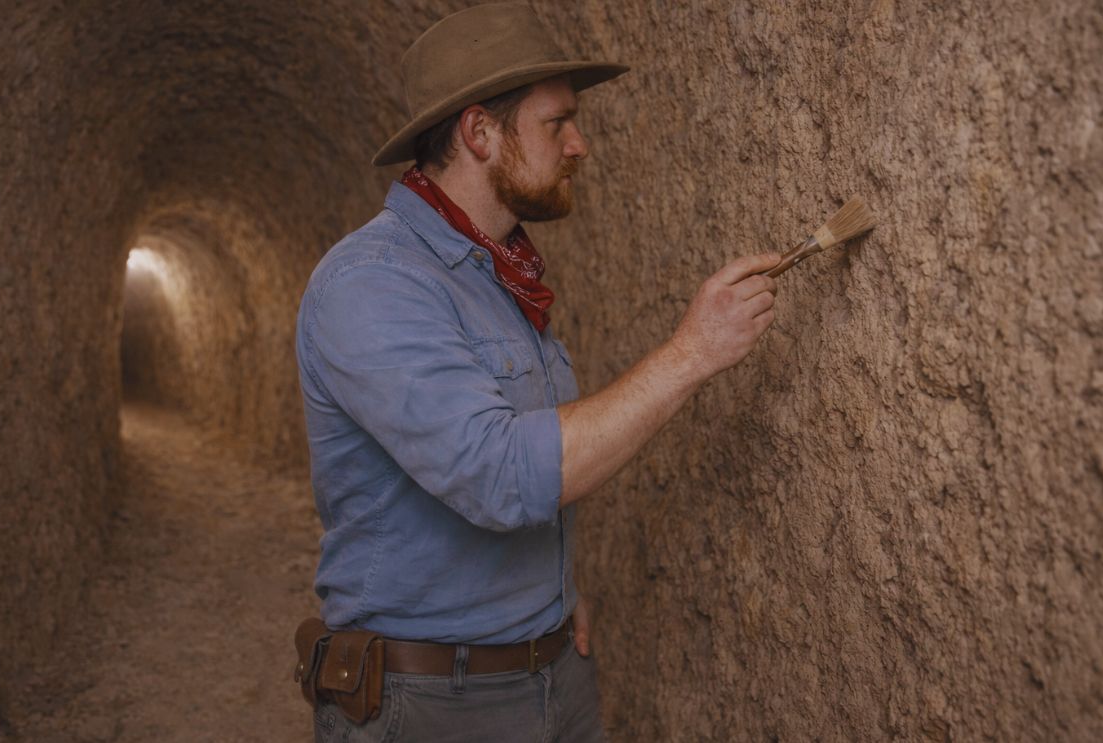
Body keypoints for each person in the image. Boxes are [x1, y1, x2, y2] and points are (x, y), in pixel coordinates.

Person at [294, 3, 778, 741]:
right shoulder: (372, 284)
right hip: (431, 703)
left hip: (548, 670)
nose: (579, 144)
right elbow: (496, 473)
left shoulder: (502, 276)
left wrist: (547, 598)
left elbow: (527, 451)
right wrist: (692, 354)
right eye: (557, 123)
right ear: (479, 132)